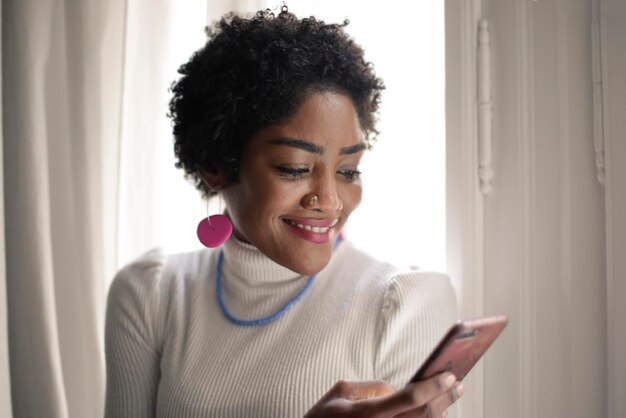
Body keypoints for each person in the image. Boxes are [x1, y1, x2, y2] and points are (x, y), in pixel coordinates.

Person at [104, 6, 461, 418]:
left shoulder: (404, 304)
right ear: (215, 165)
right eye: (294, 168)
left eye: (348, 170)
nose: (329, 200)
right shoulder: (151, 294)